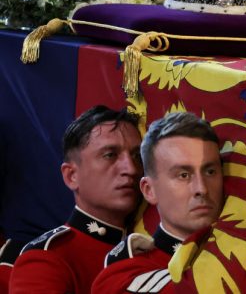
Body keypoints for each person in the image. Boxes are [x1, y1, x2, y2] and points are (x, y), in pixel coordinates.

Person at [9, 105, 143, 294]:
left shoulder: (149, 246)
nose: (131, 169)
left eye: (137, 156)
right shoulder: (47, 258)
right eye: (110, 155)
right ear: (71, 176)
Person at [91, 111, 224, 294]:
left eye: (210, 172)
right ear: (149, 190)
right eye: (183, 175)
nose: (201, 188)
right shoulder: (124, 278)